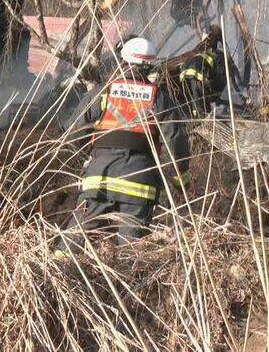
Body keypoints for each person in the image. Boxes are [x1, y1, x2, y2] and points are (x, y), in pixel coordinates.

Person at [56, 37, 190, 254]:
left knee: (72, 241)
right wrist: (180, 178)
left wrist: (87, 160)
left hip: (99, 180)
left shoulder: (104, 92)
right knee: (131, 252)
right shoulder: (158, 98)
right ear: (149, 65)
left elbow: (73, 132)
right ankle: (128, 283)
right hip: (139, 185)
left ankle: (51, 273)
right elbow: (175, 140)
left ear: (123, 61)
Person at [180, 16, 242, 119]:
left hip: (183, 78)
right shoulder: (218, 56)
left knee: (195, 106)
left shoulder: (197, 53)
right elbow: (221, 77)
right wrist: (217, 95)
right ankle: (203, 121)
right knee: (202, 109)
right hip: (196, 78)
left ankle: (198, 119)